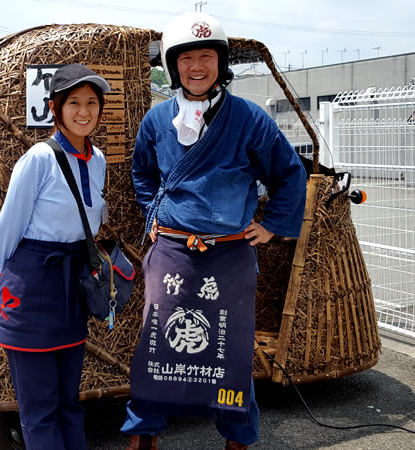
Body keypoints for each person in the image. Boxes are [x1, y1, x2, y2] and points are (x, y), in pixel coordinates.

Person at [122, 12, 307, 450]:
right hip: (172, 250)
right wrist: (153, 216)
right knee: (156, 344)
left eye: (207, 56)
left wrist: (272, 225)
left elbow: (289, 172)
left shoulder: (249, 118)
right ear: (173, 66)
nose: (197, 66)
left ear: (221, 63)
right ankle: (144, 433)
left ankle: (237, 437)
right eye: (186, 58)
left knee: (232, 349)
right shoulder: (156, 121)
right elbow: (143, 173)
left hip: (229, 253)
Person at [0, 63, 111, 450]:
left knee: (69, 402)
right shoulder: (39, 158)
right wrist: (6, 274)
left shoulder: (100, 159)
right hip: (32, 285)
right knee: (39, 408)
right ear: (55, 108)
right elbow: (7, 227)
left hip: (72, 284)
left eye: (92, 102)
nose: (84, 111)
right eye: (73, 102)